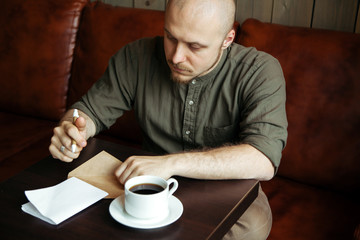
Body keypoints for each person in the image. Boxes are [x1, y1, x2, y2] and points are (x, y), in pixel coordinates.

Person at [49, 0, 287, 239]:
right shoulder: (136, 57)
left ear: (227, 39)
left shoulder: (260, 72)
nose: (176, 57)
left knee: (252, 226)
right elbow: (88, 111)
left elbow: (262, 159)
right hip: (149, 184)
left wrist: (171, 164)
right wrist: (72, 129)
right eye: (170, 37)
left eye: (195, 47)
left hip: (226, 188)